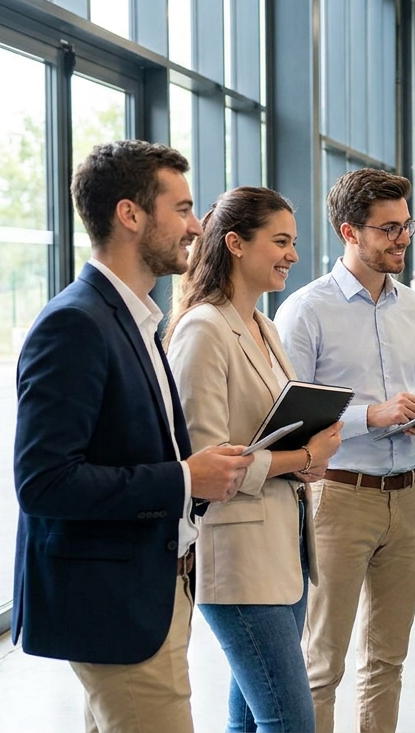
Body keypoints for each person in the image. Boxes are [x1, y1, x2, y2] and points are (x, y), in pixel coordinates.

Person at [11, 140, 252, 733]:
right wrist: (185, 478)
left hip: (143, 588)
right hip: (112, 606)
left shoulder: (134, 317)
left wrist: (189, 471)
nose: (196, 227)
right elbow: (44, 482)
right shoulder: (76, 323)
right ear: (130, 215)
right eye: (184, 208)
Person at [274, 168, 415, 733]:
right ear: (350, 232)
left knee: (387, 661)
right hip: (339, 499)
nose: (402, 238)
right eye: (389, 229)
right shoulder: (306, 310)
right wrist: (370, 416)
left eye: (406, 225)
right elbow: (290, 420)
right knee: (322, 663)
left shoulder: (413, 306)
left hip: (410, 496)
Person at [166, 186, 345, 733]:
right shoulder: (204, 329)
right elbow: (205, 466)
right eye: (281, 242)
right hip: (237, 557)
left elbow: (271, 429)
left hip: (284, 549)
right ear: (236, 244)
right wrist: (302, 456)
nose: (292, 255)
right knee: (290, 721)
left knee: (250, 720)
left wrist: (310, 453)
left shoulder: (263, 326)